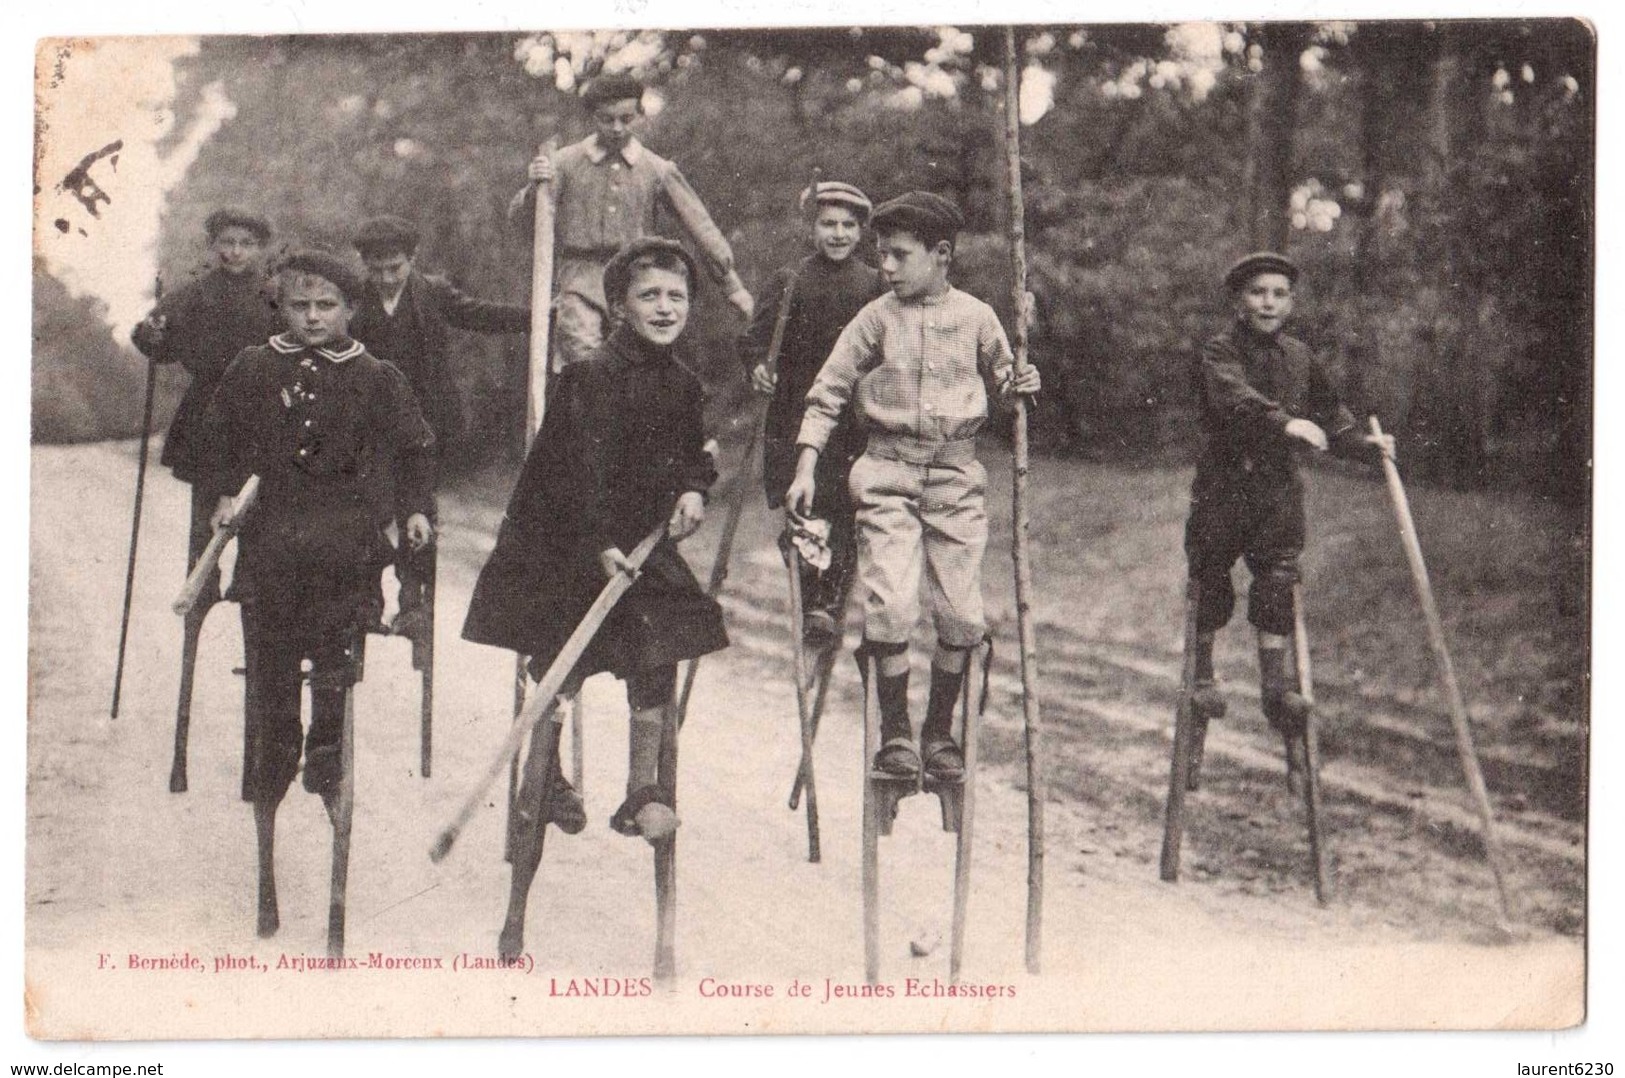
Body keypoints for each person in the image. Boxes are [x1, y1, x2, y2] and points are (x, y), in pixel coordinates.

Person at [463, 236, 727, 847]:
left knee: (659, 640)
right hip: (566, 545)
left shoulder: (685, 384)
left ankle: (642, 791)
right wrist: (597, 541)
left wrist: (694, 490)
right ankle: (547, 776)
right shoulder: (589, 378)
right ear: (620, 307)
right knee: (563, 658)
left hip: (638, 550)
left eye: (677, 296)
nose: (665, 308)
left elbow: (695, 455)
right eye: (649, 296)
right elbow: (565, 477)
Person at [786, 191, 1041, 781]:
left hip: (955, 477)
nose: (887, 268)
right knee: (892, 604)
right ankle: (895, 732)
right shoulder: (876, 318)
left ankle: (939, 733)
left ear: (941, 254)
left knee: (960, 615)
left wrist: (1020, 378)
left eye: (900, 256)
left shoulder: (978, 317)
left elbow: (1008, 384)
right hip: (887, 475)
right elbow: (828, 390)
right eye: (882, 256)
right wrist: (806, 464)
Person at [201, 250, 434, 820]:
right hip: (272, 531)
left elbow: (415, 451)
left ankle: (327, 746)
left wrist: (415, 510)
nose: (311, 317)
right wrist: (224, 494)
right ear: (280, 306)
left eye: (326, 305)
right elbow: (217, 437)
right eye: (299, 305)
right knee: (272, 643)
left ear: (351, 309)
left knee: (337, 641)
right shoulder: (254, 366)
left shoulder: (376, 376)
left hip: (347, 535)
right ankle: (278, 747)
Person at [1182, 251, 1393, 789]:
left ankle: (1277, 694)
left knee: (1277, 585)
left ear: (1291, 302)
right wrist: (1286, 425)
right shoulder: (1219, 351)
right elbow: (1234, 400)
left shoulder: (1300, 357)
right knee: (1211, 582)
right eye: (1257, 293)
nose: (1268, 303)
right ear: (1239, 300)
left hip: (1276, 496)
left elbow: (1332, 414)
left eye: (1278, 294)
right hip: (1224, 492)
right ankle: (1202, 678)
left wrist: (1364, 446)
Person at [348, 214, 531, 640]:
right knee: (369, 508)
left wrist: (537, 315)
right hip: (371, 426)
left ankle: (414, 602)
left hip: (424, 424)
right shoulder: (355, 300)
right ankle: (367, 601)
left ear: (412, 259)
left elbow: (479, 315)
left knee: (419, 510)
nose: (386, 278)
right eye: (376, 270)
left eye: (394, 267)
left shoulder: (432, 293)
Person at [513, 71, 753, 370]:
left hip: (635, 278)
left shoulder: (657, 169)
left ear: (640, 115)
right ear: (592, 118)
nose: (616, 128)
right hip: (579, 278)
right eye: (606, 119)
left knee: (634, 363)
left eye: (626, 119)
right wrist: (535, 189)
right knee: (582, 359)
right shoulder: (564, 163)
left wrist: (733, 287)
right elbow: (525, 223)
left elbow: (700, 226)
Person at [738, 180, 884, 645]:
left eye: (847, 225)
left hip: (849, 418)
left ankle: (826, 600)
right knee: (803, 505)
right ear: (812, 228)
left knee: (842, 505)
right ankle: (811, 593)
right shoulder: (789, 280)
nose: (837, 234)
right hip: (793, 412)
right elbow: (754, 339)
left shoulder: (874, 285)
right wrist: (759, 367)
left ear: (861, 232)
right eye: (828, 224)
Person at [131, 208, 281, 613]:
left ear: (259, 249)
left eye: (246, 244)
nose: (235, 252)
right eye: (227, 243)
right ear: (214, 246)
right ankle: (202, 583)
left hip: (261, 410)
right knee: (206, 505)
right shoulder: (195, 293)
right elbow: (158, 339)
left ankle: (248, 581)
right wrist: (151, 335)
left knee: (258, 500)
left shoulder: (274, 295)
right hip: (208, 409)